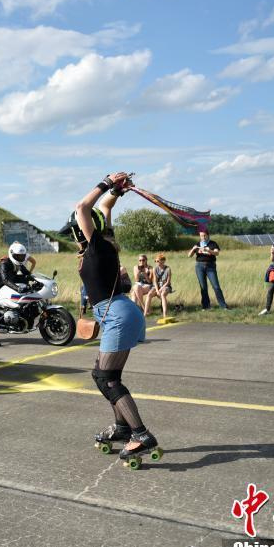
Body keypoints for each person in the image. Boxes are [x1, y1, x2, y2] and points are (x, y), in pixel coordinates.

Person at [62, 171, 156, 463]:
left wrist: (105, 182)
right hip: (122, 311)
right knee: (104, 374)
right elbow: (105, 209)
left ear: (82, 230)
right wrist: (118, 190)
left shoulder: (97, 246)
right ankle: (121, 427)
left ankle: (140, 434)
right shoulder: (104, 242)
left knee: (107, 379)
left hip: (118, 315)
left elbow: (84, 208)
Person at [0, 242, 34, 346]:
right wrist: (18, 288)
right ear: (11, 254)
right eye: (17, 256)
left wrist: (38, 281)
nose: (20, 258)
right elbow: (5, 280)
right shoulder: (5, 263)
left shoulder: (20, 264)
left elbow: (27, 274)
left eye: (22, 256)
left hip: (1, 287)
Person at [188, 230, 229, 310]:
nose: (202, 237)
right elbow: (189, 255)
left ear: (208, 235)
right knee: (203, 287)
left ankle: (223, 306)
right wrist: (193, 249)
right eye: (201, 236)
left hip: (210, 266)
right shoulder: (197, 244)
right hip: (199, 267)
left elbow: (216, 253)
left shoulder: (213, 243)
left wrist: (208, 250)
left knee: (216, 286)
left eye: (204, 235)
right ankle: (206, 306)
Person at [144, 254, 173, 318]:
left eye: (158, 261)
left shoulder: (168, 269)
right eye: (155, 261)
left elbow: (168, 282)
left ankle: (165, 314)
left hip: (166, 285)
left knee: (162, 294)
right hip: (157, 286)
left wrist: (160, 289)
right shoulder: (155, 269)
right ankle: (145, 313)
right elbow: (155, 281)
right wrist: (157, 290)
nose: (156, 263)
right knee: (149, 294)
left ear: (163, 261)